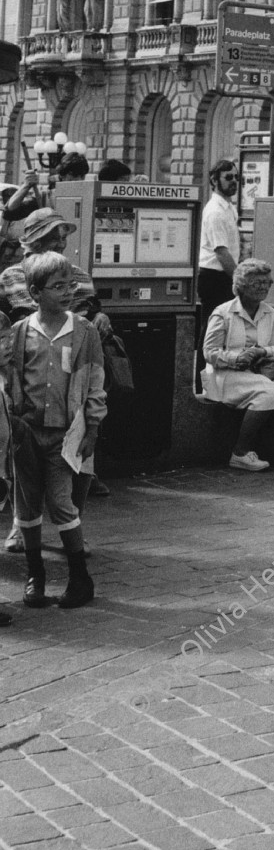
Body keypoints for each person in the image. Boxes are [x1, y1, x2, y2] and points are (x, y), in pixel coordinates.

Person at [7, 251, 106, 609]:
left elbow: (95, 382)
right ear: (35, 292)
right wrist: (14, 423)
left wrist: (92, 426)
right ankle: (36, 575)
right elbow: (11, 380)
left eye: (70, 285)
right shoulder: (20, 332)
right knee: (27, 504)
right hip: (27, 432)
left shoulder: (84, 332)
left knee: (62, 502)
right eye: (57, 286)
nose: (67, 292)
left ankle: (80, 577)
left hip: (66, 435)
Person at [202, 259, 274, 472]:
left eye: (266, 283)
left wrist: (261, 351)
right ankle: (240, 453)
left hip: (262, 370)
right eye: (256, 283)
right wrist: (235, 358)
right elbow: (209, 352)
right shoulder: (223, 312)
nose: (263, 288)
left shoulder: (270, 313)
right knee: (266, 391)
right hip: (228, 374)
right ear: (241, 285)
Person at [198, 159, 240, 352]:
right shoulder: (215, 211)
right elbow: (222, 252)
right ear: (214, 180)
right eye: (228, 177)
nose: (234, 181)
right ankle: (202, 380)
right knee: (212, 331)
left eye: (236, 177)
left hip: (222, 276)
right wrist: (240, 279)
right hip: (215, 276)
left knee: (221, 330)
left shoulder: (228, 208)